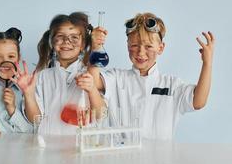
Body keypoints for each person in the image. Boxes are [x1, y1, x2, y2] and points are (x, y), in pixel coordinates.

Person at [88, 12, 215, 140]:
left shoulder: (172, 85)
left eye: (148, 46)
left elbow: (198, 102)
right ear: (127, 46)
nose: (141, 52)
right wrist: (96, 47)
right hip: (123, 157)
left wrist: (207, 63)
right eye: (134, 45)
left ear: (161, 48)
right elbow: (92, 82)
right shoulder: (117, 78)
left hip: (160, 158)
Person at [12, 12, 106, 135]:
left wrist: (92, 89)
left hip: (80, 147)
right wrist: (28, 94)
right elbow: (34, 119)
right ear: (52, 42)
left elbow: (101, 115)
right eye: (60, 36)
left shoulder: (90, 75)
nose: (66, 42)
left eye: (74, 37)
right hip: (48, 147)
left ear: (83, 44)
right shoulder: (42, 77)